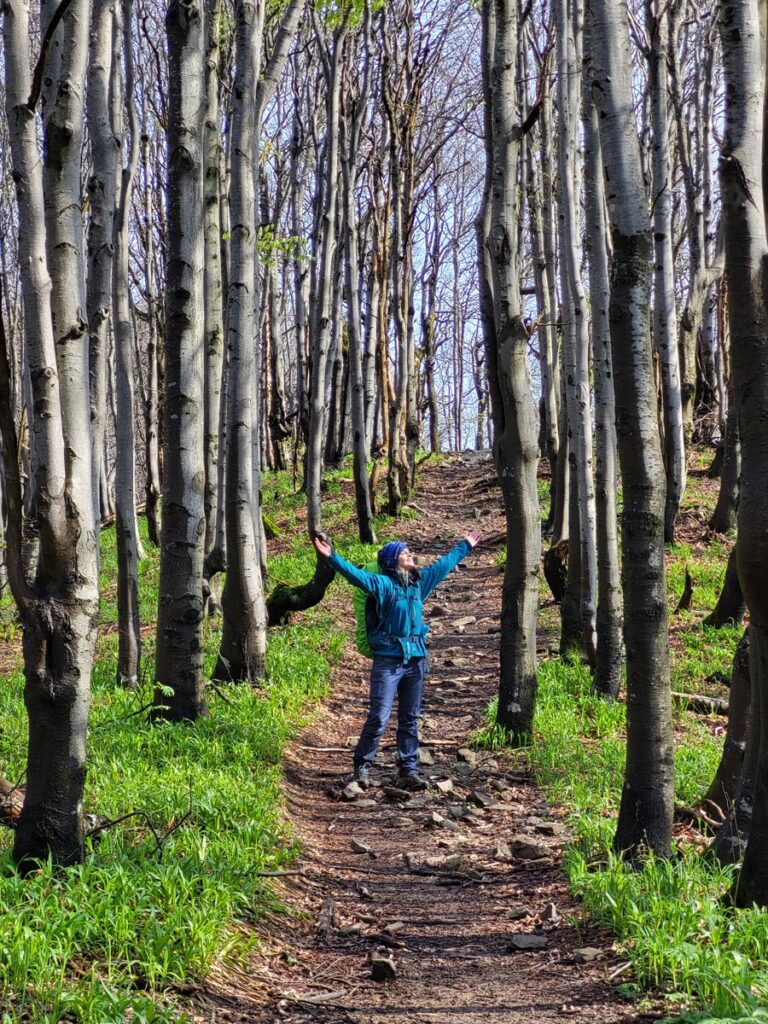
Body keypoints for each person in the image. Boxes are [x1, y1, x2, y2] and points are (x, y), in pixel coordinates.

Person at [313, 530, 481, 791]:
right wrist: (332, 556)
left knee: (410, 717)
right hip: (388, 662)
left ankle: (408, 771)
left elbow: (443, 565)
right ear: (392, 561)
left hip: (415, 661)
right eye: (405, 553)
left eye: (409, 551)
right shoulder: (383, 584)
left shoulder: (419, 583)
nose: (410, 555)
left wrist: (465, 546)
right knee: (379, 716)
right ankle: (362, 766)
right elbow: (355, 576)